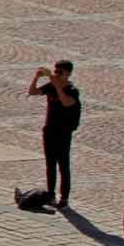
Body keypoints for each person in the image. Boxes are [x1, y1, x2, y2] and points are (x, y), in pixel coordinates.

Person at [29, 60, 82, 208]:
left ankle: (64, 198)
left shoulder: (72, 90)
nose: (57, 74)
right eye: (55, 71)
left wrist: (57, 84)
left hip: (63, 132)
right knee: (50, 164)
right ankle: (51, 194)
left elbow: (66, 102)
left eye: (60, 72)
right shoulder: (52, 86)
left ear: (68, 74)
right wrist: (36, 77)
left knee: (63, 165)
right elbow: (32, 92)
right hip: (50, 129)